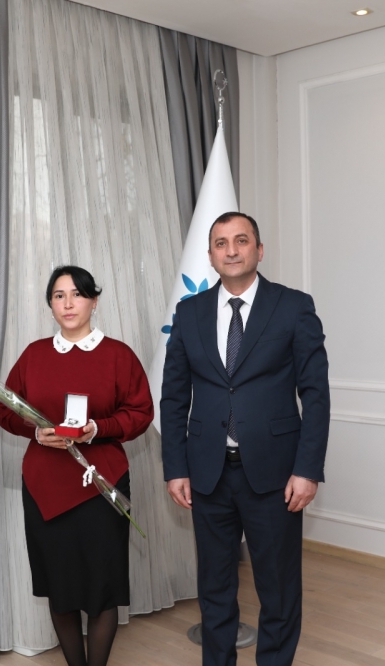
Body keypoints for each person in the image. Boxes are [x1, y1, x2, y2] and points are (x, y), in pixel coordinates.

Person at [161, 212, 330, 666]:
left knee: (278, 589)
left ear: (259, 249)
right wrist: (175, 467)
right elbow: (174, 396)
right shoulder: (189, 312)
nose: (231, 250)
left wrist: (307, 469)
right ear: (210, 255)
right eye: (221, 243)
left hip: (276, 476)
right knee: (214, 588)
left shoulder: (293, 306)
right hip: (207, 474)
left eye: (241, 240)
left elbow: (315, 395)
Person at [0, 266, 153, 666]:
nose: (68, 303)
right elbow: (7, 411)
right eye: (59, 295)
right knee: (60, 589)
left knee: (102, 589)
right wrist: (37, 433)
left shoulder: (118, 355)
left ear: (94, 301)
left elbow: (140, 413)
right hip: (45, 487)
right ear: (50, 304)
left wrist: (98, 429)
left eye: (78, 294)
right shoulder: (34, 355)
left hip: (102, 485)